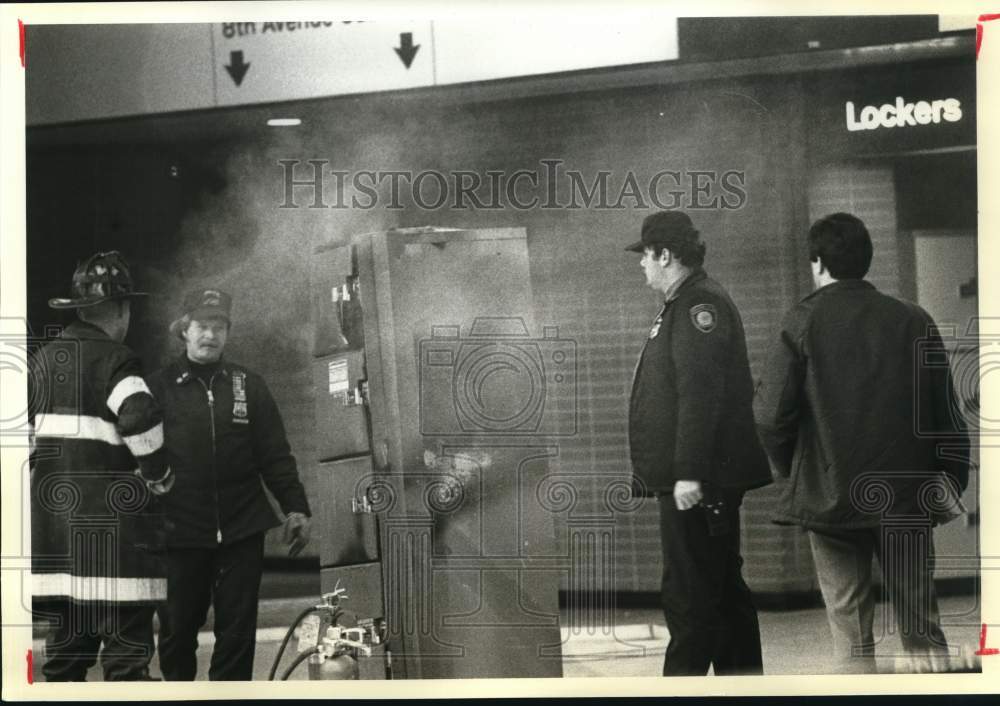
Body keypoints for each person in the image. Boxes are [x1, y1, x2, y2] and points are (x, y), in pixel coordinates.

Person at [754, 212, 970, 674]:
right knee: (922, 631)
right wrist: (950, 479)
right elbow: (945, 414)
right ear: (866, 260)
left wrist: (795, 471)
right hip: (907, 496)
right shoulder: (913, 319)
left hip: (830, 498)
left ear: (817, 263)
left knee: (850, 638)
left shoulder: (803, 321)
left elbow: (770, 415)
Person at [626, 211, 772, 676]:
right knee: (722, 594)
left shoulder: (696, 306)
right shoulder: (687, 302)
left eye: (645, 256)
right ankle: (743, 684)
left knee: (691, 598)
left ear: (665, 255)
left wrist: (688, 471)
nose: (641, 266)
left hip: (698, 482)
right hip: (701, 478)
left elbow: (699, 391)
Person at [146, 288, 312, 681]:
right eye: (203, 325)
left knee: (237, 635)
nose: (211, 335)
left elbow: (275, 455)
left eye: (219, 326)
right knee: (177, 633)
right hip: (179, 532)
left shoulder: (248, 385)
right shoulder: (159, 387)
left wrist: (295, 506)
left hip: (242, 529)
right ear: (184, 330)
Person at [29, 251, 174, 681]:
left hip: (58, 551)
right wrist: (159, 475)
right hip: (116, 554)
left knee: (64, 666)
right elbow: (139, 417)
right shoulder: (116, 360)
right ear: (119, 309)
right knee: (126, 668)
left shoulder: (40, 363)